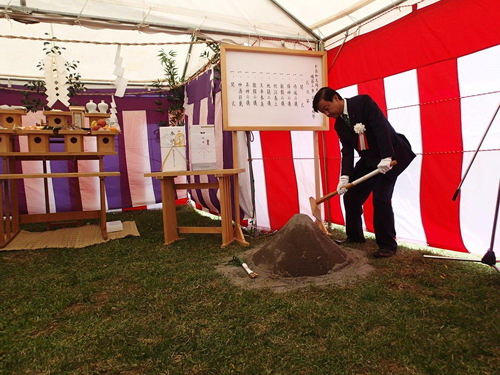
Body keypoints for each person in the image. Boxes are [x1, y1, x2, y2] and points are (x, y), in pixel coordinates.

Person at [312, 87, 416, 258]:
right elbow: (346, 151)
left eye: (326, 108)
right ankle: (354, 236)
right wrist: (344, 177)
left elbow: (382, 128)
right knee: (351, 195)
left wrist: (386, 156)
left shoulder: (363, 103)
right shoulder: (339, 124)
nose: (327, 114)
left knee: (380, 197)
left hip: (392, 154)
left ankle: (387, 245)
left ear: (336, 98)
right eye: (323, 112)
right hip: (370, 159)